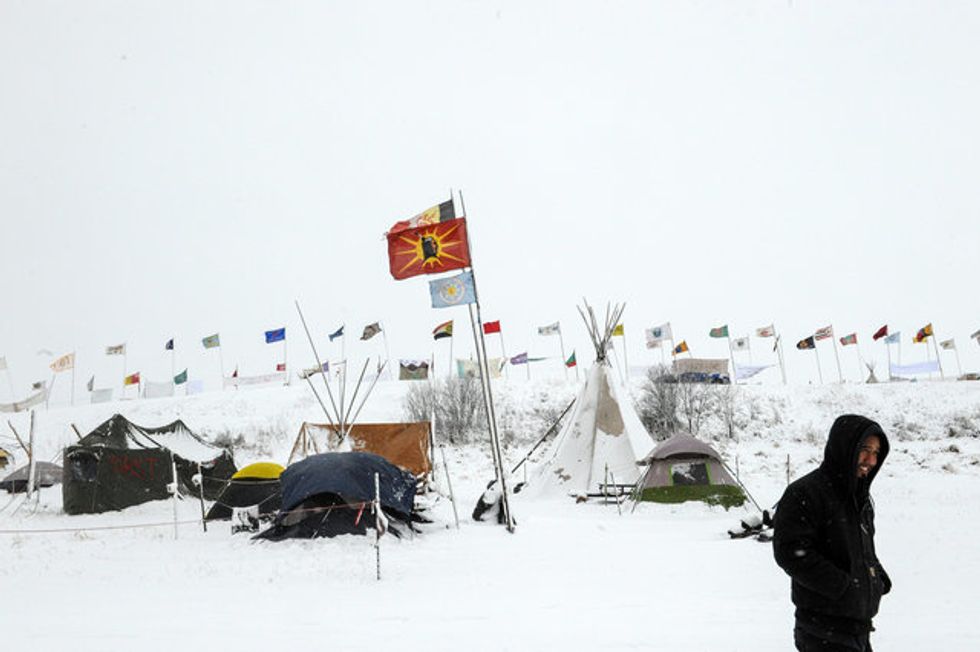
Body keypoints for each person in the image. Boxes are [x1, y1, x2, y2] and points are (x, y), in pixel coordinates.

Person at [772, 414, 891, 651]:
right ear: (845, 447)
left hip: (858, 629)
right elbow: (790, 551)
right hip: (822, 631)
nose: (871, 459)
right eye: (865, 449)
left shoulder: (859, 498)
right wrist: (844, 587)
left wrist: (878, 578)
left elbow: (861, 550)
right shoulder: (806, 493)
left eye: (876, 453)